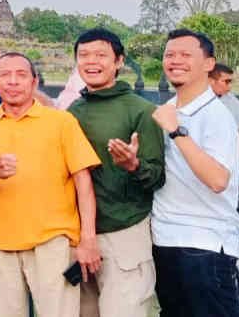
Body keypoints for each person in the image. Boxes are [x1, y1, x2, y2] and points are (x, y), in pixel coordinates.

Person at [0, 53, 101, 317]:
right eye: (5, 75)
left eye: (21, 75)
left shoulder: (61, 122)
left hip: (53, 239)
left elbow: (83, 182)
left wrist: (88, 238)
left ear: (34, 81)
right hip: (1, 240)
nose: (13, 82)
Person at [65, 29, 165, 317]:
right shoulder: (74, 110)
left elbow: (157, 177)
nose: (91, 61)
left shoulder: (142, 111)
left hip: (124, 231)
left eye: (100, 55)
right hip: (80, 235)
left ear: (119, 61)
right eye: (83, 55)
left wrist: (133, 165)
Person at [150, 29, 239, 317]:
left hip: (204, 245)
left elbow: (218, 180)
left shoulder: (216, 115)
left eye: (186, 55)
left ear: (208, 63)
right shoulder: (167, 109)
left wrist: (177, 131)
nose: (175, 60)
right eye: (169, 54)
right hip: (165, 239)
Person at [210, 64, 239, 158]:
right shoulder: (195, 100)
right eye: (226, 82)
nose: (230, 87)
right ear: (211, 81)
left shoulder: (233, 102)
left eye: (231, 82)